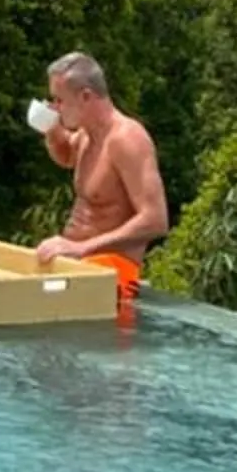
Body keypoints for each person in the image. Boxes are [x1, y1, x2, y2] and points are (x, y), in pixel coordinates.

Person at [32, 51, 167, 303]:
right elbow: (67, 156)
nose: (56, 107)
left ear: (85, 96)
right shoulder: (87, 134)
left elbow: (156, 220)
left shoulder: (127, 139)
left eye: (59, 100)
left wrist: (81, 248)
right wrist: (51, 129)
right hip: (77, 263)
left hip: (113, 270)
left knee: (31, 303)